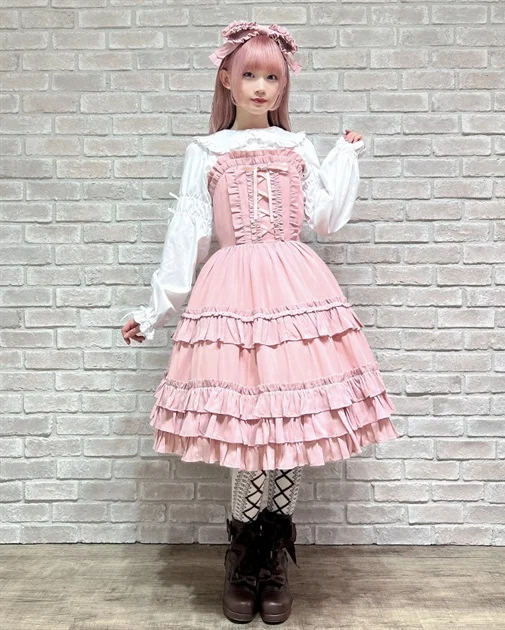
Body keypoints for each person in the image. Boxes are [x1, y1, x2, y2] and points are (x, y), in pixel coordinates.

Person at [119, 20, 400, 625]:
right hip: (232, 291)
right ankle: (242, 558)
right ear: (227, 79)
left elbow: (324, 219)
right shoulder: (206, 152)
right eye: (249, 73)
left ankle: (272, 557)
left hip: (295, 293)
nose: (261, 86)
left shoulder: (298, 148)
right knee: (248, 432)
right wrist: (154, 310)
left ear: (283, 84)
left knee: (289, 425)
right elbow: (189, 233)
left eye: (272, 76)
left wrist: (344, 157)